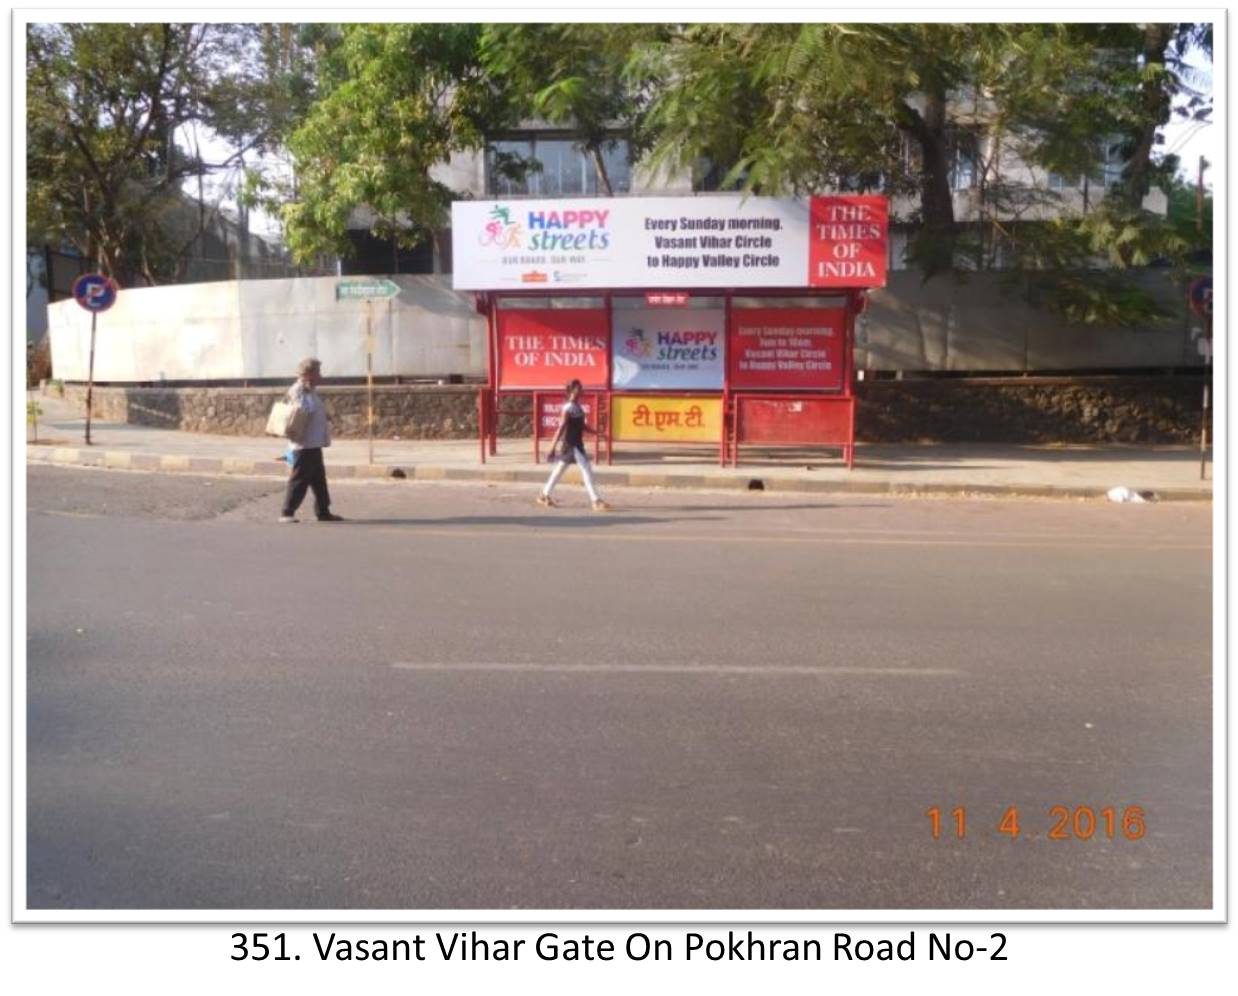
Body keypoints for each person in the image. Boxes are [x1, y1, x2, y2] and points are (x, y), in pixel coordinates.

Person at [279, 357, 344, 523]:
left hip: (313, 443)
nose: (320, 376)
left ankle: (323, 511)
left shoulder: (310, 390)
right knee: (300, 479)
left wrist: (325, 416)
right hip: (304, 444)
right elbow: (300, 411)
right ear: (308, 374)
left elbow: (315, 409)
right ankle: (287, 512)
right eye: (317, 372)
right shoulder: (299, 390)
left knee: (318, 480)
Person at [538, 379, 610, 511]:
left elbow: (582, 426)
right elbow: (561, 428)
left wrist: (597, 433)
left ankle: (544, 495)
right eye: (579, 388)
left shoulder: (577, 407)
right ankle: (596, 501)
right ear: (572, 391)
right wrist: (552, 447)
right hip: (572, 445)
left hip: (576, 444)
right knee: (586, 469)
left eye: (581, 388)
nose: (582, 390)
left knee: (559, 470)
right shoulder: (568, 408)